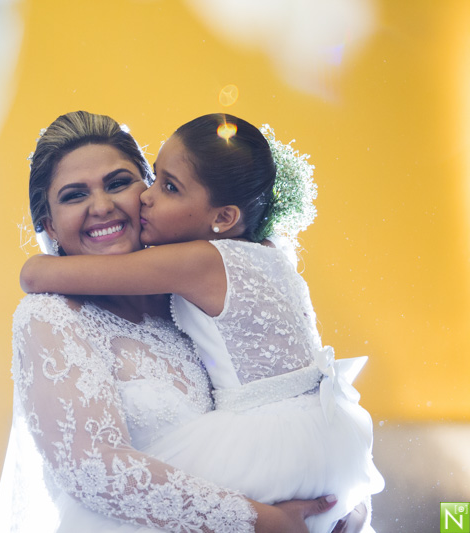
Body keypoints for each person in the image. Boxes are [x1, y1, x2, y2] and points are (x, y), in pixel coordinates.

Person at [19, 113, 384, 533]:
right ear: (47, 223)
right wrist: (263, 522)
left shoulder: (184, 298)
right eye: (74, 195)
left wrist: (343, 510)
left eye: (120, 183)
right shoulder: (51, 317)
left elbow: (291, 408)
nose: (102, 206)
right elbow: (92, 470)